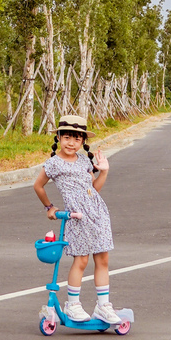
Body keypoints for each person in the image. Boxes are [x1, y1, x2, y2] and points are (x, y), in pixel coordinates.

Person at [32, 114, 121, 325]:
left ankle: (103, 306)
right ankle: (72, 304)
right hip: (76, 217)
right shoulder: (54, 163)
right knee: (81, 260)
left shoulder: (84, 161)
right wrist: (50, 207)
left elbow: (93, 190)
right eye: (67, 137)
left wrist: (104, 173)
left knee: (103, 260)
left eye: (77, 138)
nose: (71, 143)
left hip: (98, 214)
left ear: (83, 141)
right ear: (59, 138)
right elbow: (38, 185)